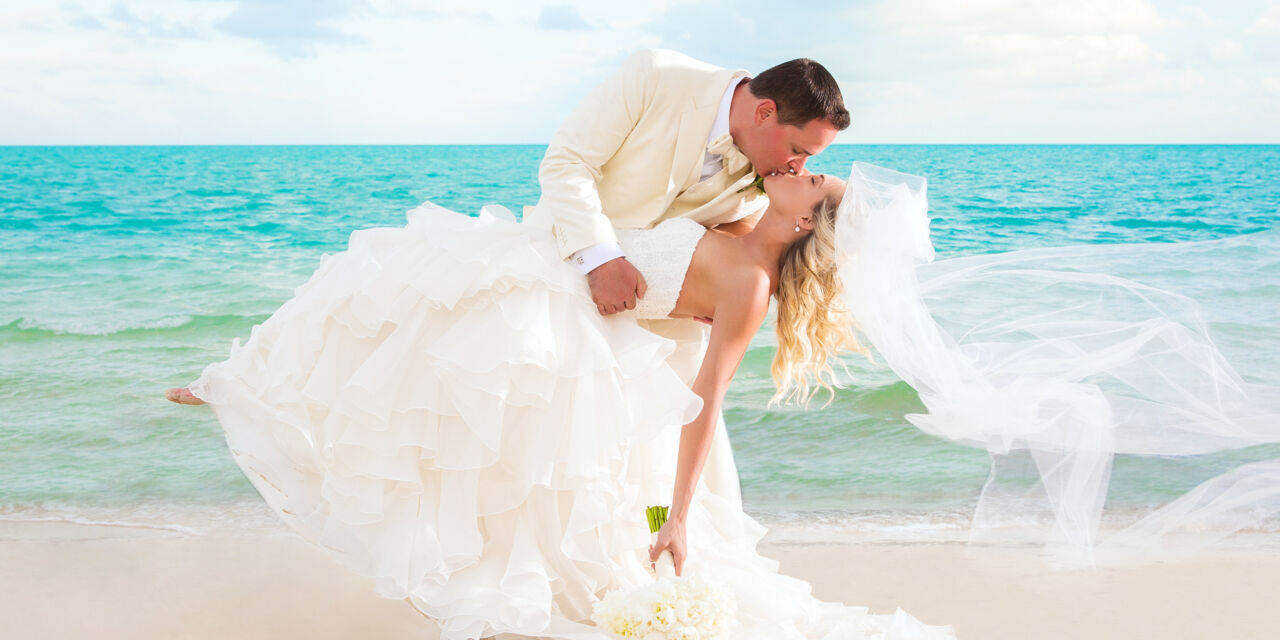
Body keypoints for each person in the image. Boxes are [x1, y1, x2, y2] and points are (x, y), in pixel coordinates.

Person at [165, 169, 956, 639]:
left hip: (573, 351)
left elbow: (704, 401)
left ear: (809, 216)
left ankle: (249, 396)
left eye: (812, 178)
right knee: (385, 302)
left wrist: (676, 513)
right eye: (807, 162)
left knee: (497, 479)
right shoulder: (739, 219)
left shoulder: (749, 284)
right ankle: (244, 383)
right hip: (567, 329)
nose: (798, 166)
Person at [523, 48, 850, 531]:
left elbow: (748, 238)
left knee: (628, 473)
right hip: (562, 280)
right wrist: (601, 256)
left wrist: (719, 291)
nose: (798, 166)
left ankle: (658, 539)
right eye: (800, 151)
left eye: (810, 165)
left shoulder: (768, 187)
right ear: (765, 113)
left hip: (650, 344)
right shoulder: (657, 77)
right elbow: (566, 163)